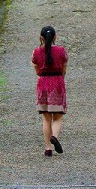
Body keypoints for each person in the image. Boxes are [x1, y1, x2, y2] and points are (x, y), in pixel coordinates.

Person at [32, 25, 67, 156]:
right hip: (57, 82)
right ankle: (55, 137)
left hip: (43, 84)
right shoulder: (62, 51)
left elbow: (37, 71)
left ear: (41, 38)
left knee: (46, 119)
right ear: (55, 37)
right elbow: (64, 70)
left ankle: (48, 148)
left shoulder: (36, 52)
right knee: (58, 116)